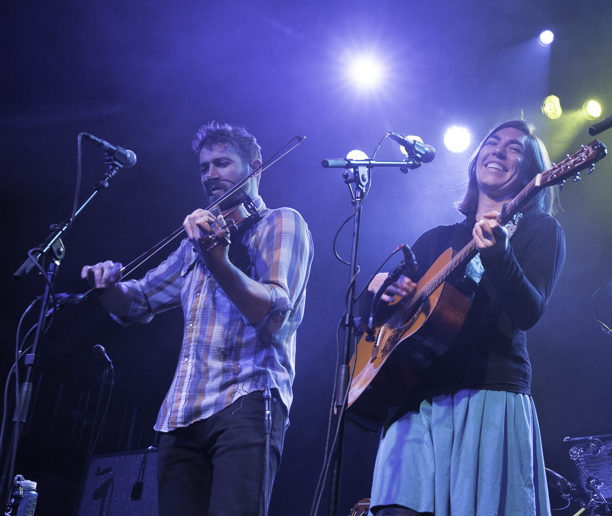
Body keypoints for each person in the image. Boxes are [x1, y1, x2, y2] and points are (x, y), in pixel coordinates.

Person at [80, 121, 314, 516]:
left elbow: (272, 311)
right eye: (204, 167)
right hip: (181, 414)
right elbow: (137, 301)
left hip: (246, 400)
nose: (210, 175)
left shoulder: (280, 223)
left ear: (255, 166)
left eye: (222, 163)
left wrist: (218, 259)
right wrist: (108, 287)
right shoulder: (196, 245)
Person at [367, 119, 566, 516]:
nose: (499, 151)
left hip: (488, 392)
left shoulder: (540, 229)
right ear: (476, 160)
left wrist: (500, 256)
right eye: (492, 142)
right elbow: (373, 318)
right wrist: (381, 295)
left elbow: (528, 312)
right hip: (416, 398)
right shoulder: (437, 239)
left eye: (515, 149)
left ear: (530, 172)